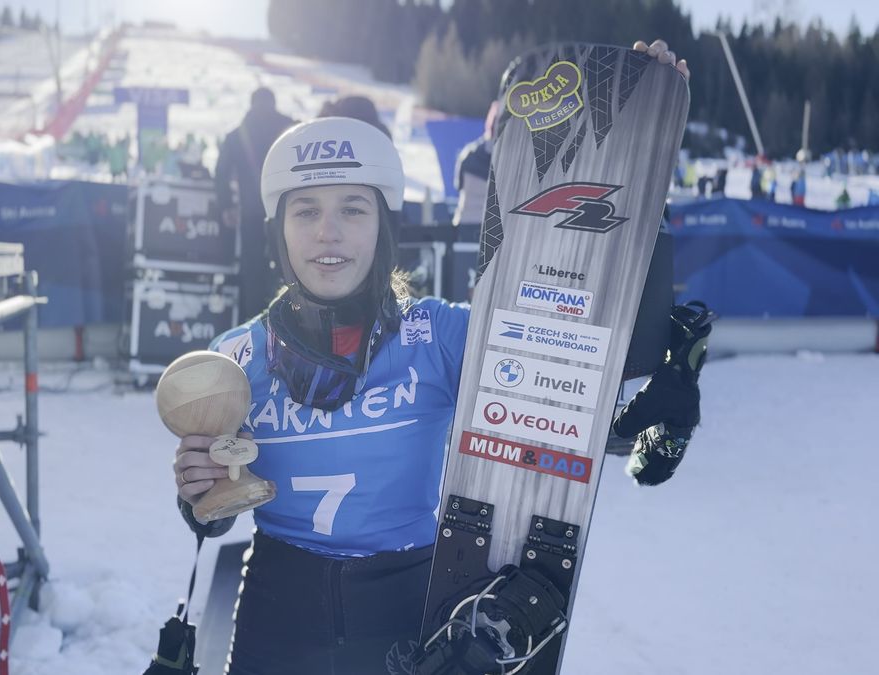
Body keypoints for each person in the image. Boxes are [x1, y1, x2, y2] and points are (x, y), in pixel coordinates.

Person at [173, 40, 700, 675]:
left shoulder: (438, 334)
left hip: (403, 610)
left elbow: (558, 395)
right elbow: (212, 520)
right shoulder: (234, 359)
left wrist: (638, 141)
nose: (328, 231)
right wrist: (197, 489)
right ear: (278, 232)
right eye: (305, 210)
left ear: (383, 228)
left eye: (353, 209)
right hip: (276, 615)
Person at [213, 87, 297, 319]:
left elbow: (221, 172)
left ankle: (251, 322)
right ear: (273, 102)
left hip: (251, 211)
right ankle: (292, 319)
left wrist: (226, 206)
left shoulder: (238, 134)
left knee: (252, 271)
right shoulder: (290, 128)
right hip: (286, 211)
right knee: (291, 266)